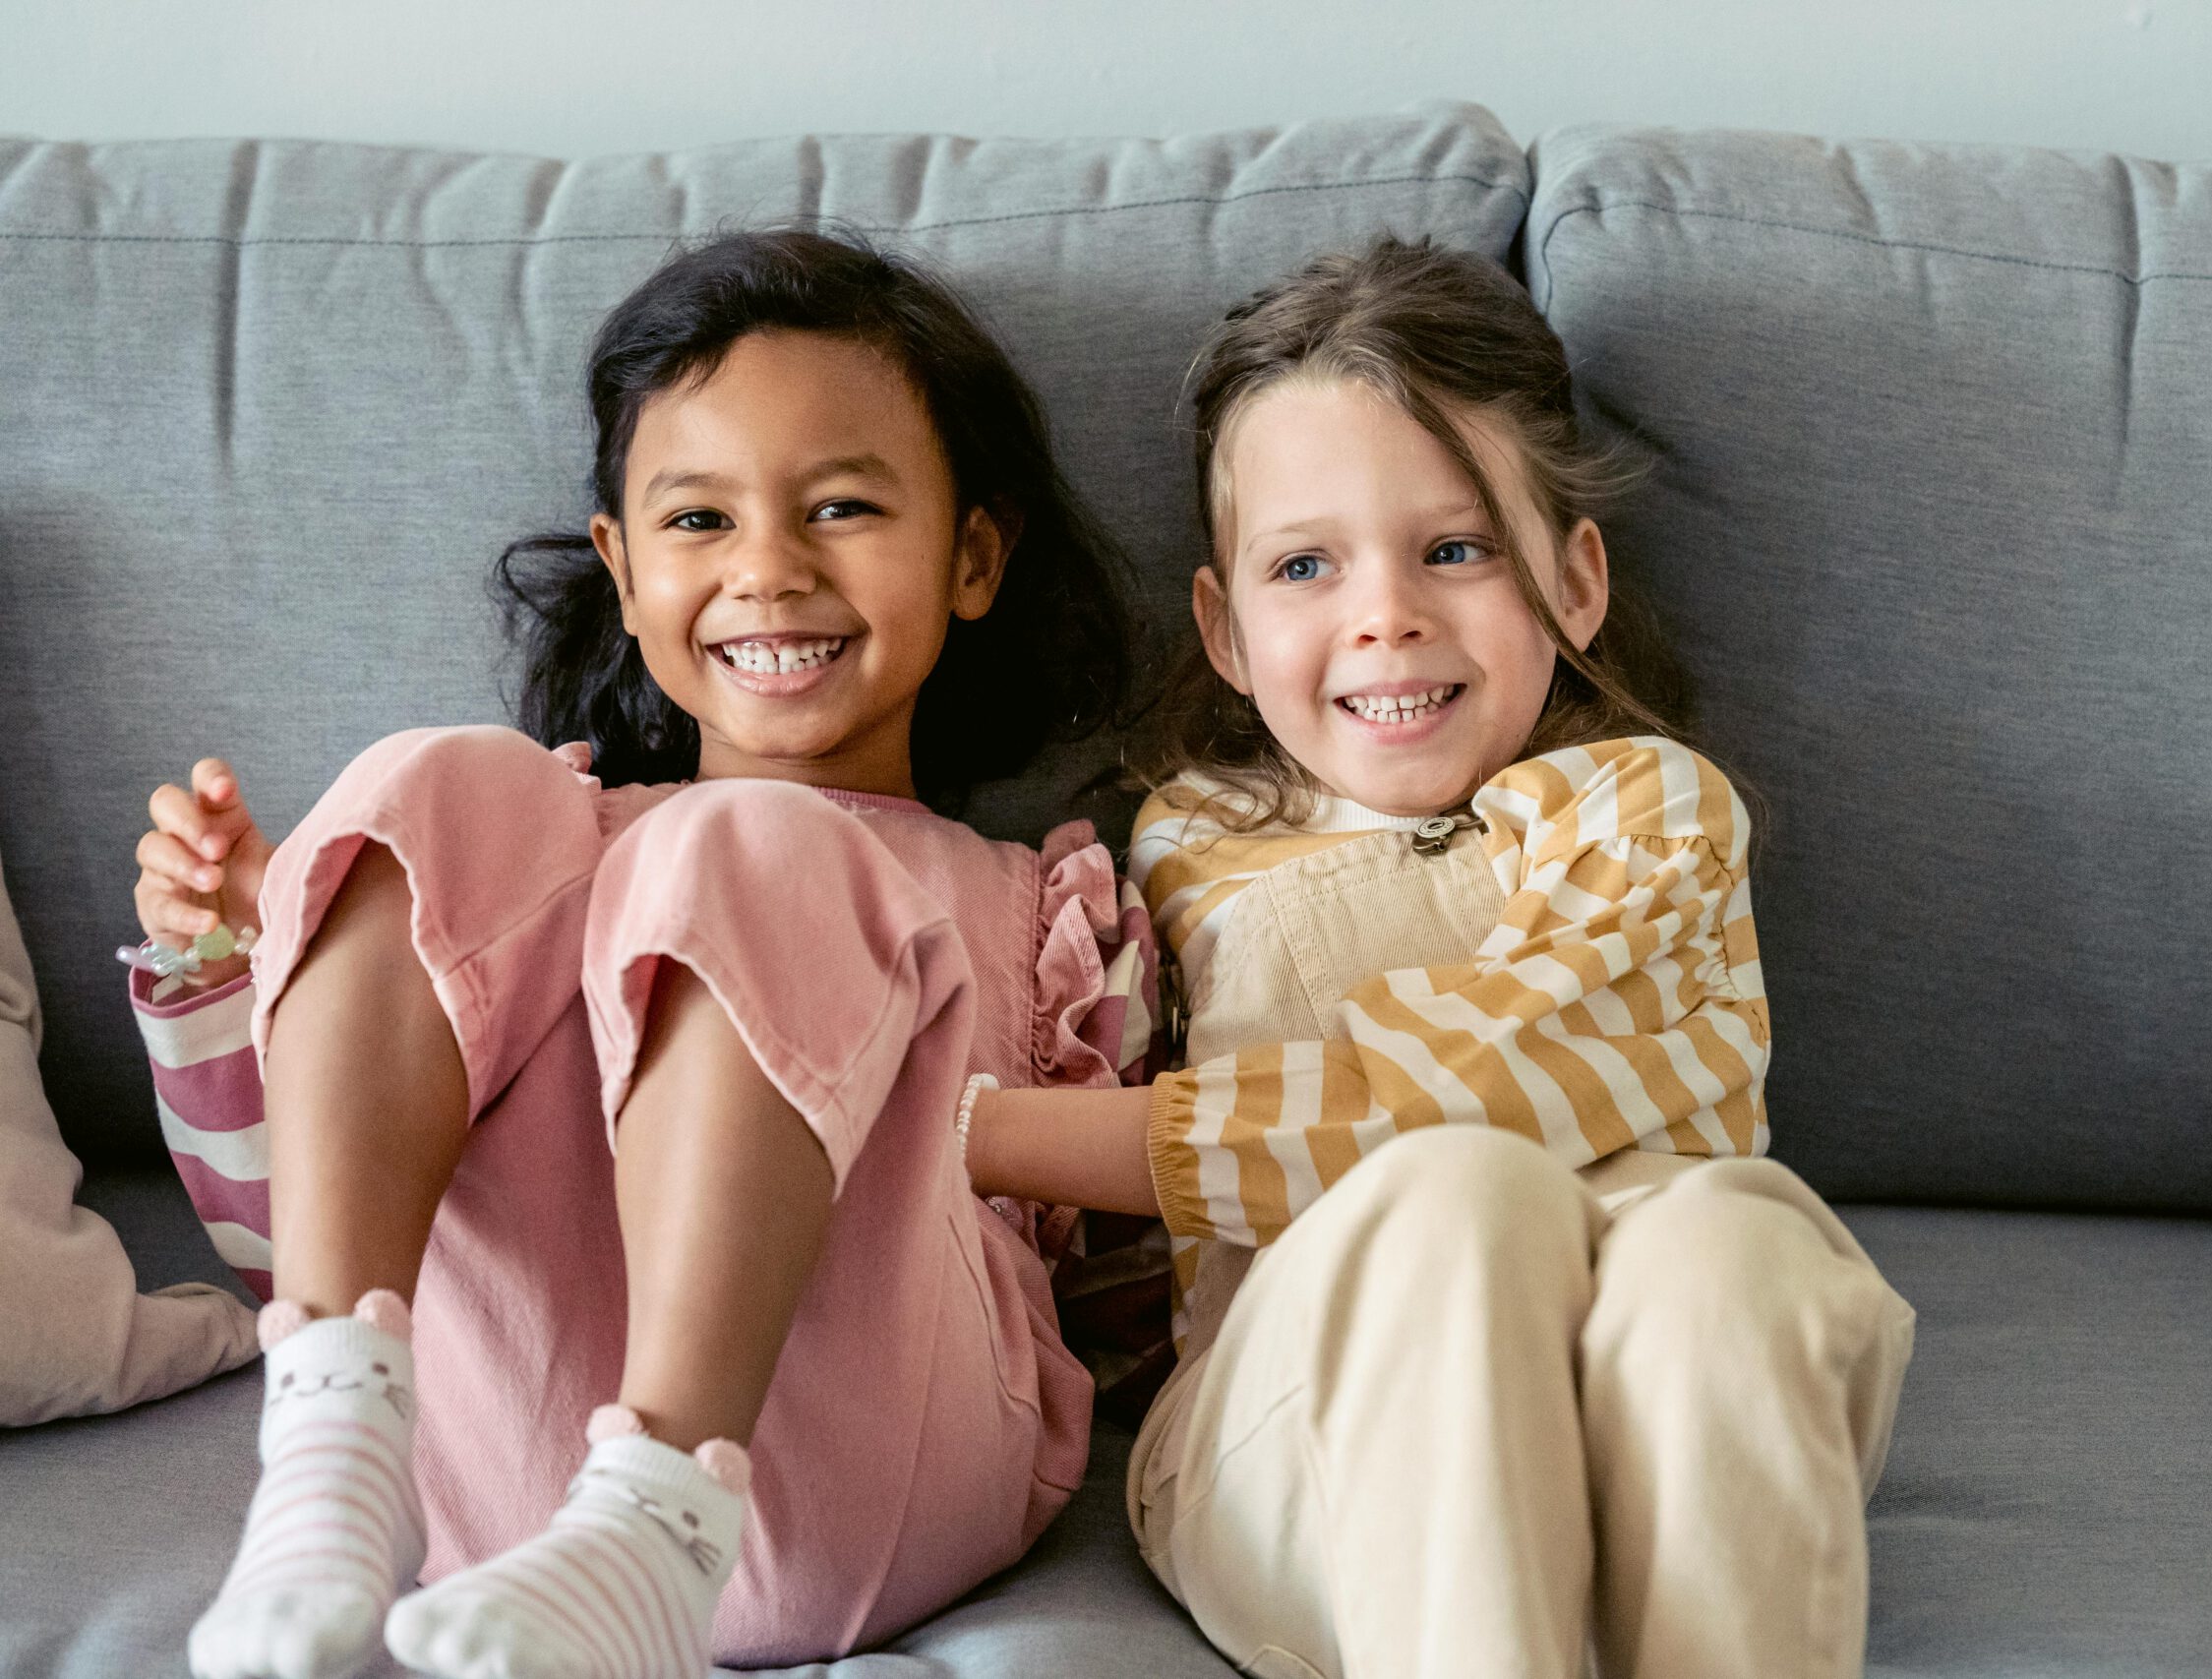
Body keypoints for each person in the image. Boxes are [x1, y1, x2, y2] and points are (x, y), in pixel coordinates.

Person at [127, 228, 1158, 1679]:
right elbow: (258, 1221)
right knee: (435, 779)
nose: (770, 570)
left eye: (845, 506)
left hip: (853, 1476)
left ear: (972, 555)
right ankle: (332, 1428)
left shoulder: (1044, 905)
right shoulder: (518, 845)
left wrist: (929, 1118)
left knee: (753, 843)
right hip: (498, 1489)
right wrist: (263, 942)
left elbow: (1123, 1299)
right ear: (619, 567)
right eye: (697, 522)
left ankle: (665, 1508)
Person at [958, 238, 1918, 1679]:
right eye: (1305, 565)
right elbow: (1109, 1256)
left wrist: (1005, 1140)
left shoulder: (1650, 812)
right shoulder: (1178, 847)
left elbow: (1481, 1078)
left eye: (1455, 548)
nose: (1386, 612)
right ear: (1224, 629)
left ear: (1575, 584)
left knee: (1732, 1240)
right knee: (1461, 1206)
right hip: (1304, 1439)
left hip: (1656, 1411)